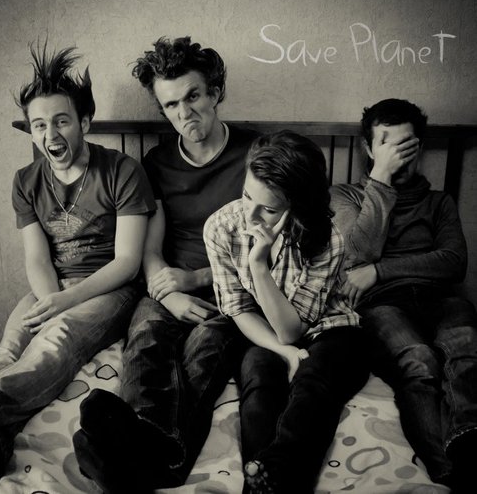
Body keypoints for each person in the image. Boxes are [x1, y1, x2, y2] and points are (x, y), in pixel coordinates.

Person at [73, 36, 259, 492]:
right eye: (171, 105)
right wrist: (170, 293)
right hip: (167, 285)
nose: (184, 113)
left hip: (232, 288)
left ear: (215, 92)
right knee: (146, 341)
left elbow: (270, 248)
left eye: (193, 97)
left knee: (203, 353)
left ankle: (143, 465)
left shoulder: (257, 154)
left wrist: (195, 278)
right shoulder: (156, 163)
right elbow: (151, 249)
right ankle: (138, 447)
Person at [0, 42, 155, 485]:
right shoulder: (25, 181)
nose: (50, 134)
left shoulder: (122, 171)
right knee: (11, 345)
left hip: (109, 287)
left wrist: (64, 305)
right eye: (39, 125)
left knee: (57, 338)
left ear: (84, 123)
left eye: (61, 121)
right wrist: (50, 299)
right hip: (53, 284)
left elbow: (128, 262)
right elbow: (36, 257)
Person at [204, 131, 369, 494]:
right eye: (247, 195)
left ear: (297, 206)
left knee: (313, 384)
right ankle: (261, 480)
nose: (250, 215)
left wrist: (259, 266)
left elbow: (293, 331)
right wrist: (282, 352)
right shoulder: (221, 227)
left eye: (269, 208)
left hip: (331, 328)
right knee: (259, 381)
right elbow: (239, 310)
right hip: (261, 330)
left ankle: (277, 470)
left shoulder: (328, 239)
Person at [330, 98, 477, 492]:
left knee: (465, 348)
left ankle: (468, 440)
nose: (398, 155)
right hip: (383, 304)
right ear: (368, 148)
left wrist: (379, 270)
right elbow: (356, 254)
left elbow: (453, 262)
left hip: (438, 298)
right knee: (420, 360)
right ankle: (445, 469)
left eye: (406, 144)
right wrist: (381, 178)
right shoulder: (345, 196)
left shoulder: (439, 202)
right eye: (387, 144)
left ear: (420, 146)